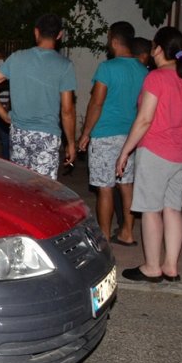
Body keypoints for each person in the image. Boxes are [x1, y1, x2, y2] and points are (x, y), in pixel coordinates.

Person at [116, 27, 182, 283]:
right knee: (172, 209)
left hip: (156, 153)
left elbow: (145, 119)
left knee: (150, 210)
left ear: (158, 48)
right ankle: (171, 266)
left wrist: (125, 150)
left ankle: (152, 267)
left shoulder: (156, 78)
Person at [76, 22, 148, 245]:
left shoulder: (107, 68)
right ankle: (127, 232)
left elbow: (96, 103)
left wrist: (86, 132)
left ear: (114, 40)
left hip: (105, 133)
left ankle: (105, 237)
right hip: (131, 135)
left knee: (104, 188)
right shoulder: (143, 70)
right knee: (126, 185)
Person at [0, 14, 76, 179]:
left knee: (22, 187)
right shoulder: (64, 66)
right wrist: (71, 143)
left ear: (36, 32)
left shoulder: (17, 58)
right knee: (44, 190)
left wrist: (4, 115)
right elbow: (67, 110)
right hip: (47, 136)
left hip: (19, 133)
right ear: (59, 35)